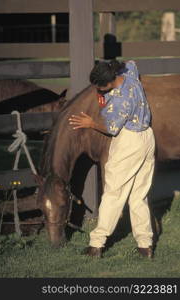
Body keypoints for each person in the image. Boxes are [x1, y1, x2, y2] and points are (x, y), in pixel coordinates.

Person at [68, 60, 155, 259]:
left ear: (107, 84)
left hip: (129, 142)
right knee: (138, 196)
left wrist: (91, 123)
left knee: (113, 193)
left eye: (100, 87)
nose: (98, 90)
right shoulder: (130, 75)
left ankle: (96, 245)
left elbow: (111, 128)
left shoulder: (119, 101)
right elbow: (131, 63)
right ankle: (145, 245)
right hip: (147, 138)